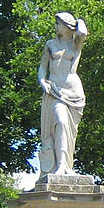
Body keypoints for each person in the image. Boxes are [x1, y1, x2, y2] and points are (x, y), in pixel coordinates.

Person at [38, 12, 88, 176]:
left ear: (67, 26)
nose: (55, 26)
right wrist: (42, 81)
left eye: (58, 23)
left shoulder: (75, 44)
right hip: (55, 91)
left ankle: (67, 166)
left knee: (69, 131)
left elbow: (83, 32)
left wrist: (77, 21)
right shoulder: (50, 44)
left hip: (73, 93)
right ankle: (60, 166)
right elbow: (42, 68)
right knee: (61, 122)